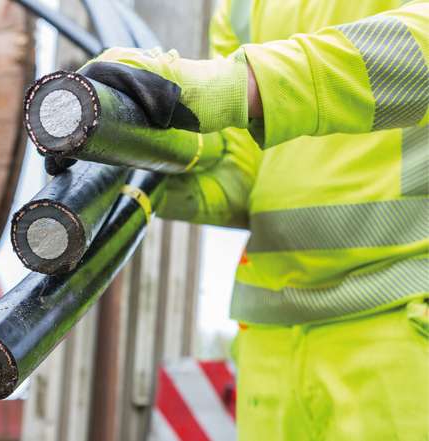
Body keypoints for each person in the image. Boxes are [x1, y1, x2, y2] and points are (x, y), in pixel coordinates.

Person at [58, 0, 428, 439]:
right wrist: (146, 171)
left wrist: (241, 82)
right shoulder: (240, 7)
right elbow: (244, 166)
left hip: (402, 325)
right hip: (270, 335)